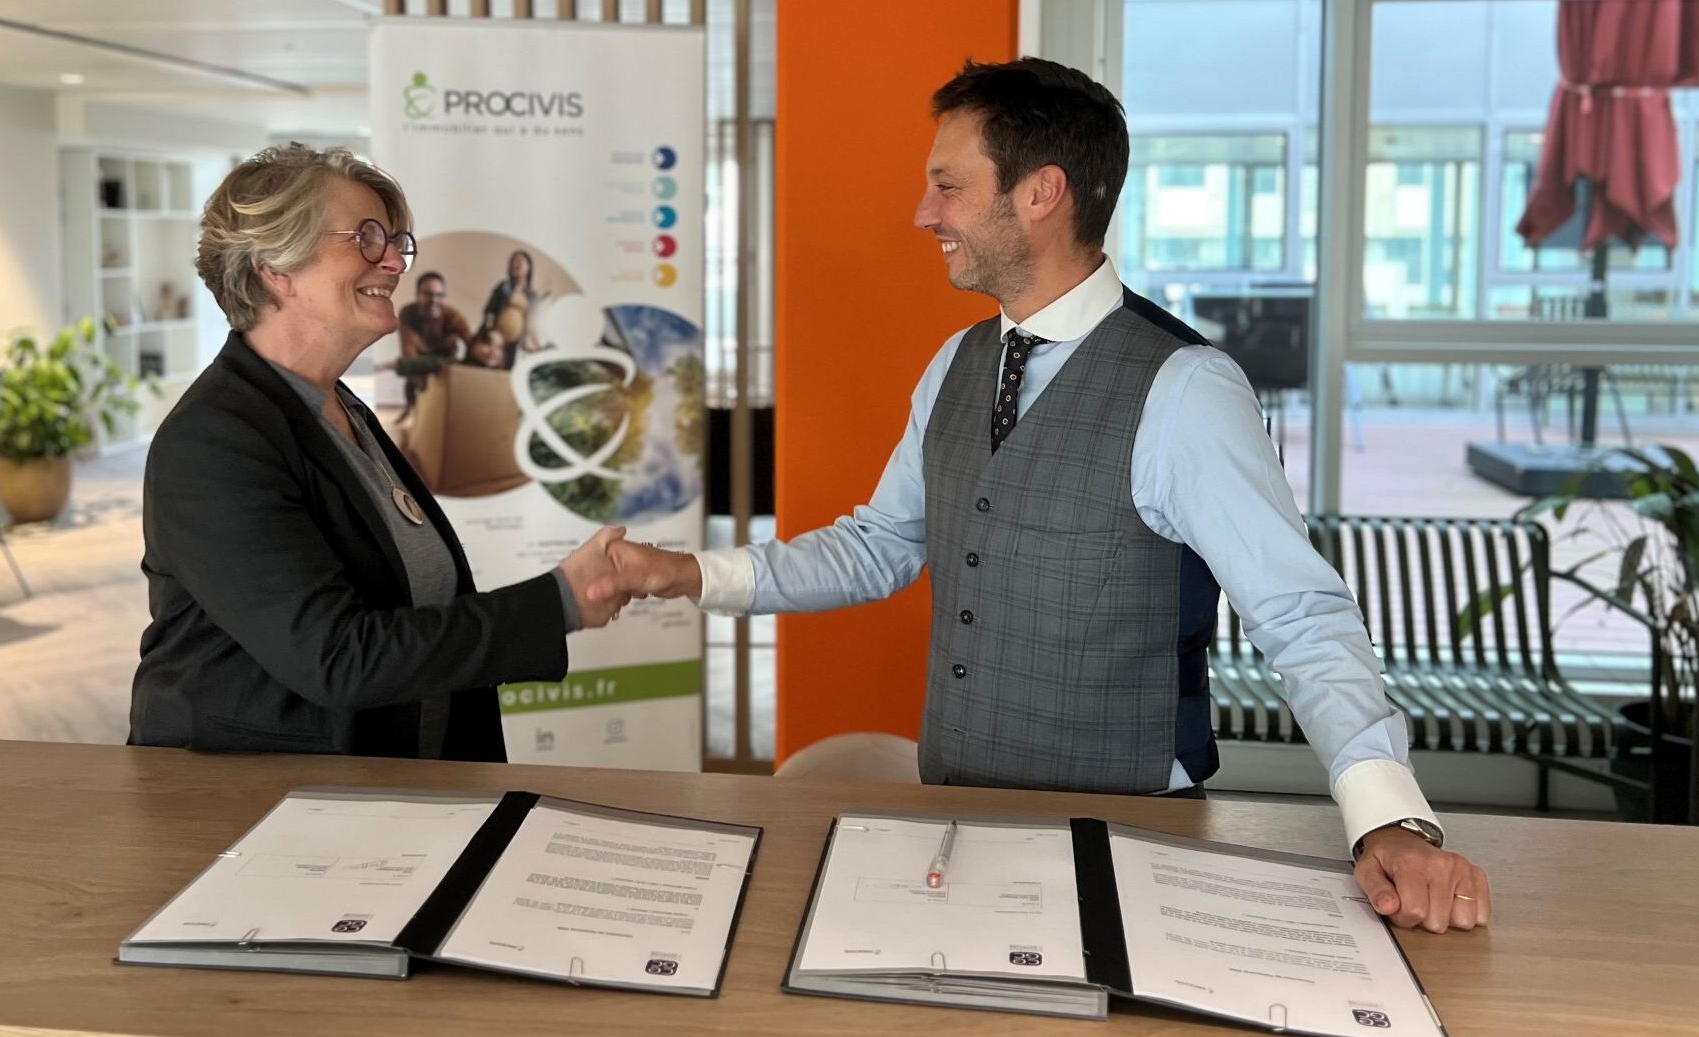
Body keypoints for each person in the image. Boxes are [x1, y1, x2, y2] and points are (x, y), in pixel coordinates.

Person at [602, 59, 1492, 934]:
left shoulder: (1186, 388)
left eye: (948, 185)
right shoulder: (955, 365)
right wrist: (686, 573)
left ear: (1040, 193)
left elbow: (1300, 612)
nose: (923, 213)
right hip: (957, 827)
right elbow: (880, 544)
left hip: (1130, 841)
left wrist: (1389, 818)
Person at [131, 143, 629, 761]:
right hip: (251, 800)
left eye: (394, 242)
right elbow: (337, 657)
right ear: (275, 269)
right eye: (367, 238)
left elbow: (411, 605)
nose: (394, 262)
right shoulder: (212, 443)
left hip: (384, 789)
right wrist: (560, 601)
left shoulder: (342, 410)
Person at [386, 271, 472, 407]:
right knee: (410, 381)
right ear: (417, 295)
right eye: (428, 295)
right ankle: (412, 410)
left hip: (445, 362)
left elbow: (472, 344)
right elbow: (408, 353)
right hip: (419, 361)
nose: (434, 300)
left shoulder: (453, 317)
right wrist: (419, 380)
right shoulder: (408, 313)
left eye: (439, 295)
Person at [477, 249, 540, 367]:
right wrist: (490, 330)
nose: (516, 264)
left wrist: (533, 343)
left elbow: (533, 323)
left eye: (520, 261)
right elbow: (489, 311)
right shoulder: (503, 287)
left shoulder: (533, 296)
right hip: (496, 338)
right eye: (513, 261)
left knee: (509, 369)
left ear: (529, 267)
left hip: (516, 343)